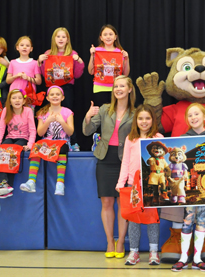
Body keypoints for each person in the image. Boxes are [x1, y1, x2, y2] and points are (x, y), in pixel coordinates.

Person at [83, 76, 135, 259]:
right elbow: (88, 131)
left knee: (122, 203)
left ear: (129, 89)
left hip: (125, 160)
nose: (118, 89)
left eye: (122, 86)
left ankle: (121, 242)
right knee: (106, 202)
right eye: (115, 86)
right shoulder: (105, 109)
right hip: (105, 159)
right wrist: (88, 117)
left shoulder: (136, 112)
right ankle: (109, 241)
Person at [115, 104, 163, 266]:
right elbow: (126, 162)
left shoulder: (158, 137)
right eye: (141, 118)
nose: (144, 122)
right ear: (136, 120)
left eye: (147, 118)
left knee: (152, 219)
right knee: (133, 219)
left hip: (152, 185)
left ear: (153, 120)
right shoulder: (131, 138)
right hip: (133, 185)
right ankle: (134, 252)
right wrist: (121, 182)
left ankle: (153, 252)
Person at [171, 103, 205, 273]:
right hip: (189, 187)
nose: (193, 118)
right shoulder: (183, 138)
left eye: (196, 114)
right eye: (190, 115)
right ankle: (184, 258)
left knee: (202, 219)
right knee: (188, 218)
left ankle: (197, 259)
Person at [19, 86, 74, 195]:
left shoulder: (67, 112)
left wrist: (62, 122)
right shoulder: (42, 113)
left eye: (57, 94)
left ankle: (60, 183)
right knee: (36, 147)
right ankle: (31, 181)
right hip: (47, 142)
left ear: (62, 97)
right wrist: (48, 121)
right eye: (52, 94)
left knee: (62, 148)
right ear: (48, 98)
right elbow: (40, 133)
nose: (55, 96)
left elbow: (70, 132)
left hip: (62, 141)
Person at [0, 89, 36, 198]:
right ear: (10, 101)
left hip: (23, 139)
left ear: (23, 101)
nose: (17, 100)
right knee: (3, 151)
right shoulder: (6, 110)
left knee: (12, 153)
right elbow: (1, 129)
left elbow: (32, 130)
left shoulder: (28, 111)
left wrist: (30, 145)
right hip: (10, 138)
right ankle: (4, 184)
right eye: (14, 98)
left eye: (19, 98)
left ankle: (8, 186)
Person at [38, 27, 85, 125]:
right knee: (51, 112)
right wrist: (40, 62)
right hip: (52, 87)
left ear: (67, 40)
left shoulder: (72, 54)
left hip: (67, 87)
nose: (60, 39)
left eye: (63, 37)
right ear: (54, 39)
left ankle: (70, 138)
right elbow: (44, 74)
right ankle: (50, 135)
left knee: (67, 112)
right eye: (58, 36)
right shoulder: (48, 53)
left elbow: (77, 75)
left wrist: (79, 61)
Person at [88, 24, 131, 106]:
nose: (108, 37)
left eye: (111, 34)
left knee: (115, 114)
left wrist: (127, 59)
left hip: (116, 88)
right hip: (99, 88)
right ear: (101, 37)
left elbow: (125, 74)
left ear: (115, 37)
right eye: (105, 34)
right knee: (101, 114)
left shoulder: (120, 52)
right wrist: (92, 56)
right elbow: (91, 71)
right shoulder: (96, 51)